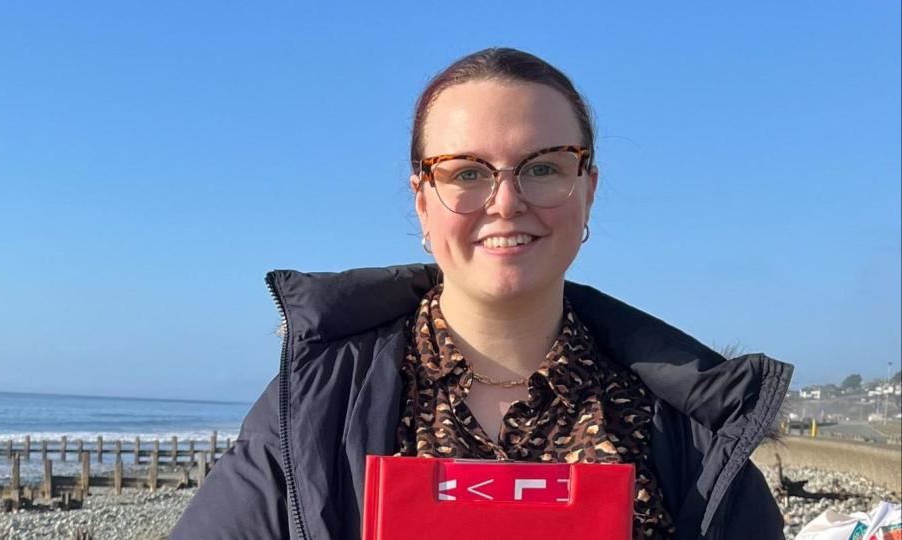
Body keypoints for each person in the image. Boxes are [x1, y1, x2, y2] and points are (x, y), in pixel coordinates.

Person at [170, 47, 792, 540]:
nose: (506, 202)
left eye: (544, 166)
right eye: (467, 172)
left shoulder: (690, 429)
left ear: (589, 189)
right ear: (422, 201)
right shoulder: (318, 399)